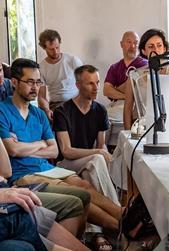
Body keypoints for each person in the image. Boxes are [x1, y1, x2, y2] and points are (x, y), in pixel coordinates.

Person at [0, 58, 122, 232]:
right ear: (14, 82)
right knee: (77, 192)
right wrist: (40, 144)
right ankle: (121, 226)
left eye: (38, 82)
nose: (35, 87)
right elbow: (12, 150)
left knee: (84, 186)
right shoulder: (2, 111)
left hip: (47, 168)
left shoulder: (39, 114)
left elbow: (54, 150)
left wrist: (27, 147)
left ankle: (123, 216)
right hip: (23, 175)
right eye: (29, 82)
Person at [53, 64, 119, 206]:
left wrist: (107, 157)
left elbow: (102, 145)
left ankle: (95, 227)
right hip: (65, 164)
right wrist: (99, 152)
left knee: (94, 168)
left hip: (89, 161)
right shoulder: (62, 111)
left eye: (97, 82)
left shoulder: (101, 110)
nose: (96, 88)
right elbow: (67, 152)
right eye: (90, 83)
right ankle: (119, 210)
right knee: (96, 159)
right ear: (78, 85)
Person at [123, 28, 169, 130]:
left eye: (159, 45)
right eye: (151, 46)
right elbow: (127, 109)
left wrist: (164, 85)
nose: (156, 50)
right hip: (141, 129)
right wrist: (127, 133)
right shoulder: (135, 76)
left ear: (164, 48)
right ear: (144, 50)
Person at [38, 29, 83, 120]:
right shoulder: (41, 68)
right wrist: (47, 110)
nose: (55, 52)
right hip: (56, 105)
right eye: (51, 49)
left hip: (76, 102)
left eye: (57, 47)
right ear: (44, 47)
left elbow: (86, 83)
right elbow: (41, 96)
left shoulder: (73, 60)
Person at [104, 31, 147, 121]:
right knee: (99, 114)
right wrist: (128, 96)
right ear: (121, 44)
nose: (133, 46)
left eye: (136, 43)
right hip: (118, 104)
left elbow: (137, 87)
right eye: (129, 42)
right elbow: (107, 91)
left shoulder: (145, 65)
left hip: (136, 106)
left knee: (104, 117)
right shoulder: (115, 67)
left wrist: (116, 90)